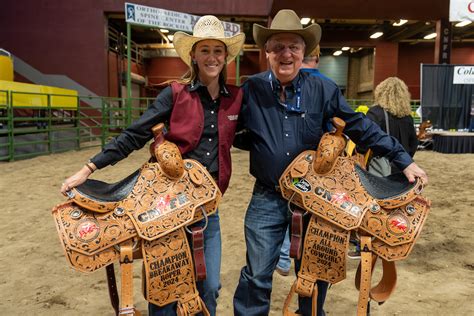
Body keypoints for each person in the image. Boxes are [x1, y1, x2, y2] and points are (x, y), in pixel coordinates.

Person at [232, 9, 428, 316]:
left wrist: (402, 159)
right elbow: (227, 128)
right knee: (257, 273)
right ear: (267, 51)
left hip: (316, 197)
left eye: (294, 47)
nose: (286, 54)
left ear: (303, 52)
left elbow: (358, 126)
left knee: (317, 268)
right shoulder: (251, 89)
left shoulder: (322, 89)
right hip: (268, 195)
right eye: (278, 46)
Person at [60, 15, 245, 316]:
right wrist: (89, 168)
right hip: (165, 204)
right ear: (194, 55)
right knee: (165, 288)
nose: (212, 57)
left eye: (218, 50)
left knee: (209, 287)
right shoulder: (174, 94)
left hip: (208, 207)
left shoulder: (236, 99)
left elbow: (250, 136)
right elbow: (135, 134)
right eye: (205, 50)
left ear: (226, 56)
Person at [275, 44, 336, 276]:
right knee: (307, 226)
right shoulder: (326, 86)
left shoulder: (278, 83)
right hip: (314, 176)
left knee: (282, 210)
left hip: (279, 173)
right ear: (317, 59)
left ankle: (282, 259)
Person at [366, 77, 418, 172]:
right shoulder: (408, 117)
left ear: (381, 93)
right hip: (403, 169)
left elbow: (366, 139)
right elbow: (413, 143)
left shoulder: (375, 113)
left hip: (381, 168)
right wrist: (404, 159)